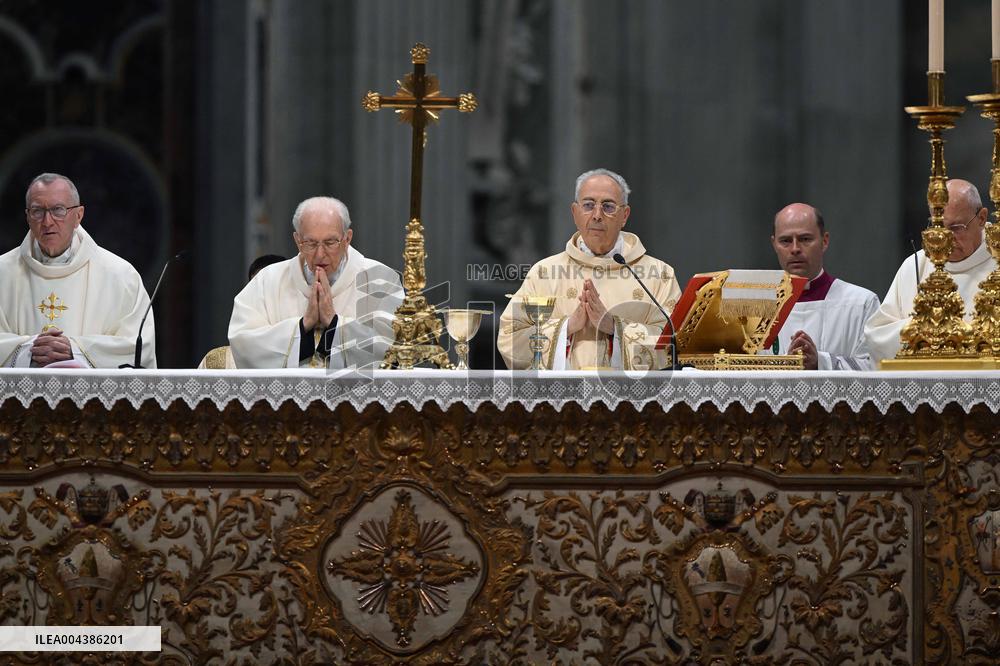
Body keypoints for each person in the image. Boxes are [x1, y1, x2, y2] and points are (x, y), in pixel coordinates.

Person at [498, 168, 681, 370]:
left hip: (631, 399)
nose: (597, 215)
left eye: (608, 206)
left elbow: (675, 341)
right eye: (588, 205)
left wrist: (615, 328)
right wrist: (566, 328)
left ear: (625, 215)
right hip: (560, 399)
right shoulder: (544, 273)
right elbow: (510, 338)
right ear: (575, 213)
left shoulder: (660, 274)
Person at [0, 173, 155, 368]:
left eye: (58, 210)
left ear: (79, 215)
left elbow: (140, 347)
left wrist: (75, 350)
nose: (47, 222)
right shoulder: (3, 273)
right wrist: (31, 349)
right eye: (37, 211)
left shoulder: (121, 276)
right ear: (27, 217)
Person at [227, 196, 402, 369]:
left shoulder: (379, 280)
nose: (320, 254)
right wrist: (303, 326)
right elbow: (243, 341)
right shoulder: (267, 281)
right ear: (297, 241)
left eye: (330, 242)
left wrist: (334, 323)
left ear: (347, 239)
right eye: (310, 243)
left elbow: (392, 349)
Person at [865, 179, 995, 363]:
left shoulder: (995, 259)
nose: (946, 238)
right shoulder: (915, 266)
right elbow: (877, 334)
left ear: (981, 218)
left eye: (956, 228)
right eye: (938, 226)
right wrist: (925, 331)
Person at [769, 203, 880, 370]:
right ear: (774, 244)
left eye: (805, 239)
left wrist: (821, 362)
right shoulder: (757, 306)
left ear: (824, 241)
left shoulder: (862, 303)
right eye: (785, 241)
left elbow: (877, 368)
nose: (795, 249)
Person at [198, 254, 288, 369]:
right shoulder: (218, 362)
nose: (262, 298)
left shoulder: (310, 359)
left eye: (270, 289)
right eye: (255, 289)